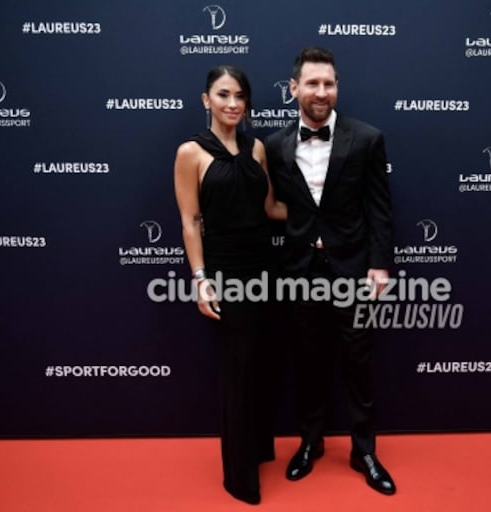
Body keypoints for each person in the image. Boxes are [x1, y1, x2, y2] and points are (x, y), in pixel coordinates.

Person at [264, 47, 396, 495]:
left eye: (330, 83)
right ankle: (310, 442)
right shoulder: (275, 145)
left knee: (358, 363)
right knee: (308, 362)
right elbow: (269, 206)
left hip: (354, 270)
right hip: (300, 271)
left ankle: (364, 451)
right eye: (313, 83)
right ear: (294, 88)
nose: (322, 92)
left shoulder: (367, 139)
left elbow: (379, 208)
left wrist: (380, 264)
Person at [174, 65, 286, 505]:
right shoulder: (190, 153)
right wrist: (200, 280)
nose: (233, 103)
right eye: (223, 94)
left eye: (240, 95)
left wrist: (324, 218)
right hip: (225, 274)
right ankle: (239, 478)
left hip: (264, 270)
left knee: (261, 367)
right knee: (237, 372)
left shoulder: (256, 147)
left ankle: (257, 449)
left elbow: (271, 208)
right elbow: (189, 221)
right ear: (206, 100)